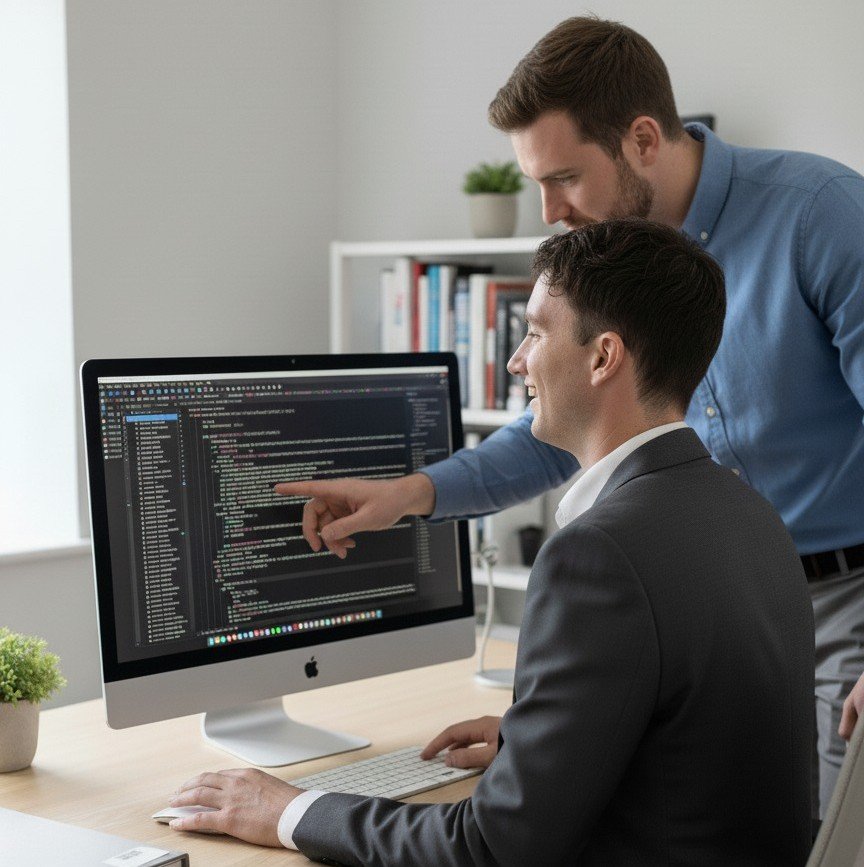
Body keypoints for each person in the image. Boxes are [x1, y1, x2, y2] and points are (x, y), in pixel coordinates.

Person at [276, 16, 864, 815]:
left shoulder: (819, 215)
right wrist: (410, 494)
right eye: (536, 184)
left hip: (846, 599)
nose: (549, 210)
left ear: (644, 139)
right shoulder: (614, 255)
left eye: (563, 178)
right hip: (715, 610)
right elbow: (558, 430)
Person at [169, 221, 814, 865]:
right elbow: (692, 736)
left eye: (534, 331)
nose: (516, 360)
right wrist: (533, 742)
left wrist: (291, 811)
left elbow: (490, 849)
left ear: (603, 357)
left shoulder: (600, 557)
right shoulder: (749, 514)